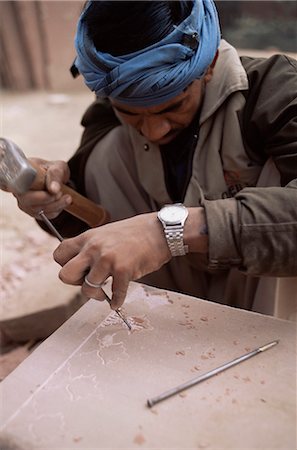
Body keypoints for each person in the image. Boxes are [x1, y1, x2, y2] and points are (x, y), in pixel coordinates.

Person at [15, 0, 297, 314]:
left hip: (267, 303)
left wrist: (167, 232)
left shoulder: (277, 92)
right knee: (107, 153)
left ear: (211, 64)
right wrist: (54, 203)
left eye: (172, 107)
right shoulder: (109, 117)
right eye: (131, 112)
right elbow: (94, 219)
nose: (153, 130)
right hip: (176, 300)